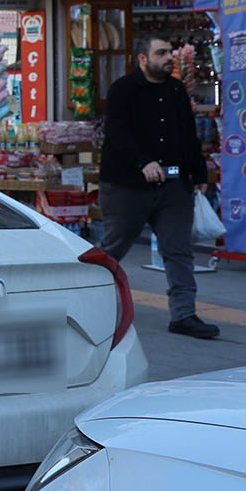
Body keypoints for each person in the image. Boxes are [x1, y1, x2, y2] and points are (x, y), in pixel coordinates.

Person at [100, 35, 219, 340]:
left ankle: (184, 315)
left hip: (174, 187)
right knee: (113, 249)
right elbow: (118, 133)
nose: (169, 58)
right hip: (127, 187)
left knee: (178, 251)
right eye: (161, 53)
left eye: (170, 52)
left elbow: (188, 133)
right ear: (143, 59)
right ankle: (85, 300)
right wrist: (143, 162)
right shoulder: (123, 89)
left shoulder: (176, 89)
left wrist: (199, 173)